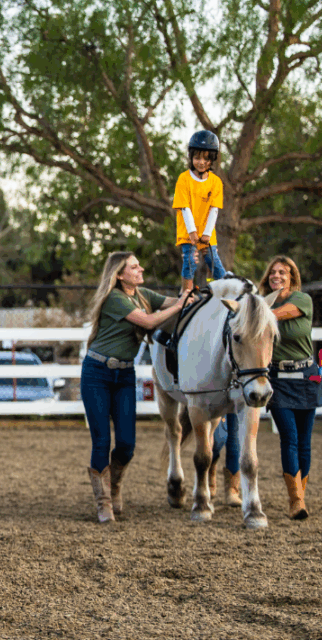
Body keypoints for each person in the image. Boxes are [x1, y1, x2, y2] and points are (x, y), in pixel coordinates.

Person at [82, 252, 192, 523]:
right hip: (97, 373)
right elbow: (149, 322)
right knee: (102, 441)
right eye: (134, 266)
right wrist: (180, 306)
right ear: (119, 274)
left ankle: (115, 485)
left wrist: (191, 276)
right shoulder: (115, 299)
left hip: (124, 375)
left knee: (127, 444)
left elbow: (177, 301)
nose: (140, 268)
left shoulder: (141, 295)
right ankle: (103, 502)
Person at [260, 256, 322, 520]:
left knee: (304, 442)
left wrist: (257, 310)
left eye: (283, 272)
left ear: (292, 277)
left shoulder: (301, 300)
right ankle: (296, 501)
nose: (277, 276)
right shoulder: (262, 303)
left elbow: (279, 314)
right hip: (279, 378)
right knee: (289, 438)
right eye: (273, 272)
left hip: (306, 377)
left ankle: (301, 494)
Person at [173, 130, 227, 293]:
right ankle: (186, 293)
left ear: (212, 159)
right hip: (188, 230)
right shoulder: (184, 179)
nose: (201, 162)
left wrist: (207, 233)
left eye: (206, 158)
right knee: (190, 260)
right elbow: (185, 207)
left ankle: (226, 288)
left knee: (212, 260)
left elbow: (214, 210)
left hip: (207, 231)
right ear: (191, 157)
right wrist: (192, 232)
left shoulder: (216, 182)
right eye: (197, 157)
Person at [210, 413, 242, 507]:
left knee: (234, 437)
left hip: (236, 400)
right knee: (217, 439)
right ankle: (210, 467)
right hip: (217, 400)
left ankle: (232, 489)